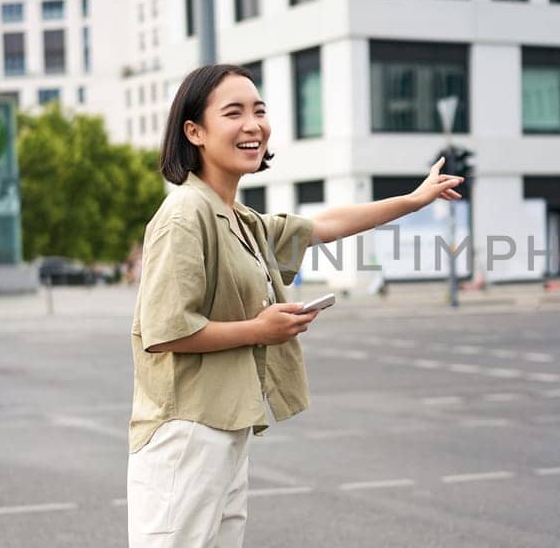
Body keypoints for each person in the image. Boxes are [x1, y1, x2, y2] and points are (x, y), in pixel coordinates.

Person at [127, 63, 463, 547]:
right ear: (194, 131)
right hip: (186, 432)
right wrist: (258, 330)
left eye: (259, 111)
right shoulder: (184, 214)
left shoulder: (239, 218)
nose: (253, 125)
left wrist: (412, 201)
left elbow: (323, 227)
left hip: (226, 426)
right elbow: (166, 331)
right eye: (234, 112)